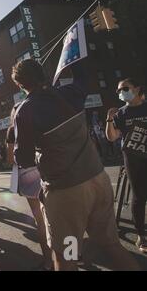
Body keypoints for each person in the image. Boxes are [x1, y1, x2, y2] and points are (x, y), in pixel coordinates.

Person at [11, 59, 139, 271]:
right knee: (111, 245)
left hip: (66, 193)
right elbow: (83, 76)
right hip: (98, 179)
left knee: (67, 256)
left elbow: (22, 159)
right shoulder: (70, 92)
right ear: (42, 74)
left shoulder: (24, 111)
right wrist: (73, 52)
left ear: (20, 85)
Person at [6, 115, 52, 271]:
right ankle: (72, 255)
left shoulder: (12, 130)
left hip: (28, 174)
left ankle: (48, 262)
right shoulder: (39, 120)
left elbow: (10, 158)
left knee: (40, 220)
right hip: (47, 167)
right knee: (59, 216)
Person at [106, 78, 147, 253]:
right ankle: (141, 235)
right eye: (119, 91)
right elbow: (112, 137)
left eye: (125, 88)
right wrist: (109, 120)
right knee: (139, 197)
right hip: (133, 159)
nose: (121, 92)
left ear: (137, 89)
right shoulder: (122, 113)